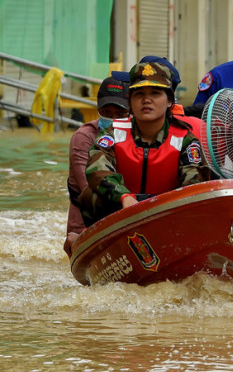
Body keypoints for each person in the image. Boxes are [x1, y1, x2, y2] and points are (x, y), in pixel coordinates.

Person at [85, 60, 210, 222]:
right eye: (139, 94)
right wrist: (123, 197)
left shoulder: (186, 141)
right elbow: (97, 170)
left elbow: (194, 184)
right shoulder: (112, 134)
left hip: (169, 214)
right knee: (90, 194)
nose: (147, 100)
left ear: (170, 101)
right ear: (130, 101)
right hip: (119, 212)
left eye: (155, 93)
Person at [63, 73, 130, 256]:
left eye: (120, 113)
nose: (113, 118)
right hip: (87, 225)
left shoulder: (137, 136)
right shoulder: (84, 137)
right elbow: (90, 187)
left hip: (128, 217)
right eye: (106, 112)